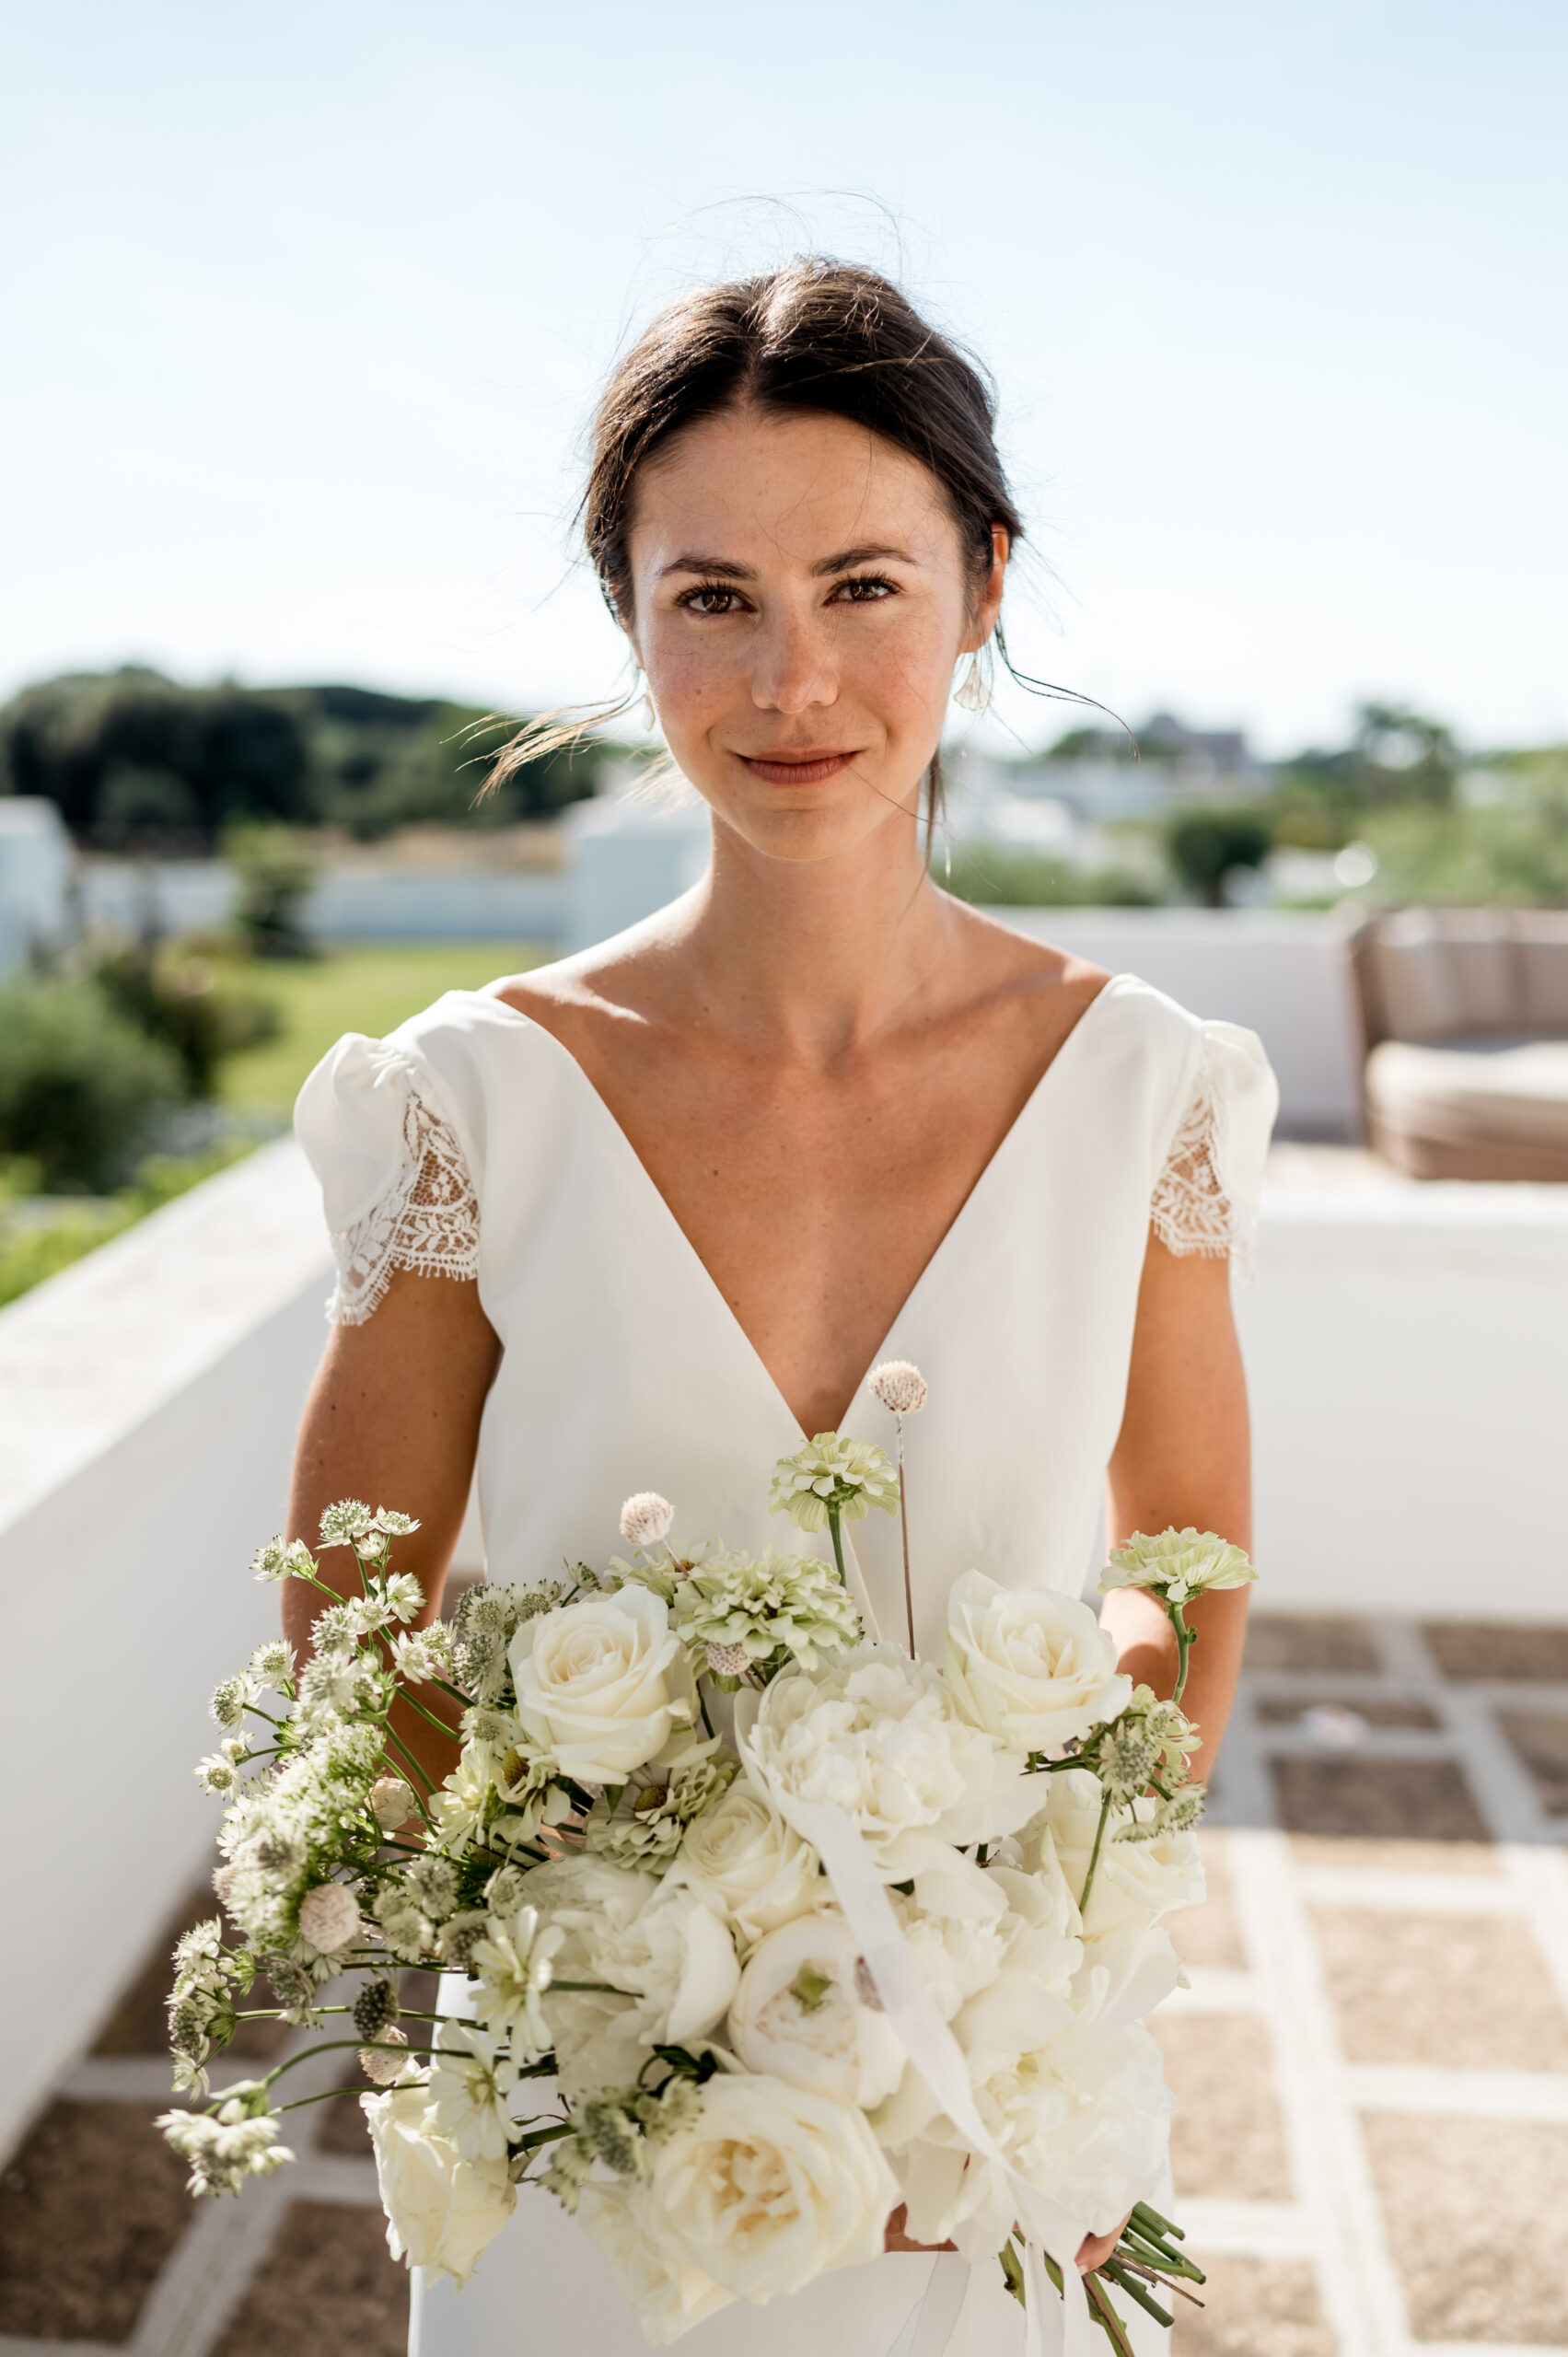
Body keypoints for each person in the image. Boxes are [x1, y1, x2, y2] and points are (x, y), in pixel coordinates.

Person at [288, 258, 1277, 2357]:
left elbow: (1186, 1556)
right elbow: (349, 1601)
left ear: (984, 583)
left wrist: (1043, 1923)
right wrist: (596, 1942)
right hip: (585, 2105)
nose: (793, 679)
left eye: (864, 584)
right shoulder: (473, 1095)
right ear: (629, 615)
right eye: (712, 596)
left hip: (993, 2110)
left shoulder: (1143, 1086)